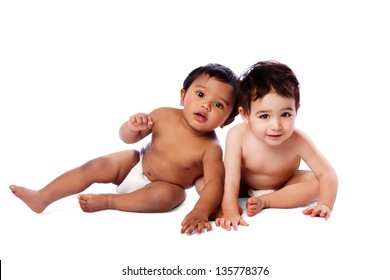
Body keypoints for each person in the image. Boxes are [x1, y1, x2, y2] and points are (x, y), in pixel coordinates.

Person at [10, 63, 239, 235]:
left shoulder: (211, 149)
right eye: (200, 94)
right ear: (183, 96)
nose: (206, 105)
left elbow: (214, 184)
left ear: (226, 121)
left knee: (171, 195)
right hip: (137, 165)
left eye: (218, 105)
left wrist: (200, 211)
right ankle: (43, 197)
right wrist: (132, 127)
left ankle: (109, 201)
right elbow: (127, 139)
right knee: (99, 165)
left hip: (164, 186)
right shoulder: (162, 114)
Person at [215, 60, 338, 231]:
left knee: (317, 183)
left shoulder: (298, 139)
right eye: (264, 116)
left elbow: (327, 172)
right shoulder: (237, 135)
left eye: (286, 114)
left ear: (297, 110)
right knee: (212, 180)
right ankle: (223, 204)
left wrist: (325, 204)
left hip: (284, 185)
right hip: (243, 184)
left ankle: (267, 201)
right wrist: (229, 208)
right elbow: (232, 176)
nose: (276, 126)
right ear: (245, 114)